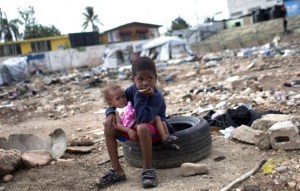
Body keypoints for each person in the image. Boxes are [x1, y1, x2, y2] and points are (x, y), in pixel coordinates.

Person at [96, 57, 176, 189]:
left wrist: (140, 96)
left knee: (142, 127)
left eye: (149, 78)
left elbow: (143, 118)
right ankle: (117, 171)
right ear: (133, 79)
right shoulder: (131, 89)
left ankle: (148, 169)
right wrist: (110, 113)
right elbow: (117, 102)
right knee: (109, 129)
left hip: (154, 131)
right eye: (140, 79)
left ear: (155, 78)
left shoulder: (157, 97)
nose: (145, 83)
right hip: (134, 130)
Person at [101, 83, 179, 148]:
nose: (122, 99)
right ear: (110, 103)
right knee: (156, 118)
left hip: (139, 121)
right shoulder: (117, 111)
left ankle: (167, 140)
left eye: (123, 96)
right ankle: (164, 138)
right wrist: (128, 130)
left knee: (162, 122)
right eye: (118, 98)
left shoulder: (129, 103)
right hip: (132, 126)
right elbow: (118, 124)